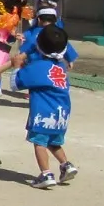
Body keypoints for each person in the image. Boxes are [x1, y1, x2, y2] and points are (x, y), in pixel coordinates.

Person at [14, 24, 79, 189]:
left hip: (43, 110)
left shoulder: (37, 67)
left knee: (39, 142)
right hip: (62, 111)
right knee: (53, 141)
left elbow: (15, 84)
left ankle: (45, 173)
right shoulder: (61, 67)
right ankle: (66, 164)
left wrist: (17, 65)